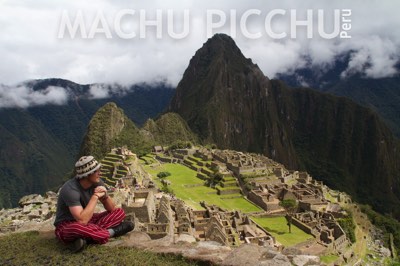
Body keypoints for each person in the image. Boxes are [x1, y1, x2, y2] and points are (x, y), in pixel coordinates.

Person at [54, 156, 134, 252]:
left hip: (89, 219)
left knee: (119, 212)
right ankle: (113, 232)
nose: (100, 173)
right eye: (97, 171)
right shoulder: (70, 190)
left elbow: (112, 209)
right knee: (77, 228)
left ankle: (86, 238)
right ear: (88, 174)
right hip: (67, 224)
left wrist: (105, 196)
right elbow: (82, 221)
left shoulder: (97, 182)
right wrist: (95, 196)